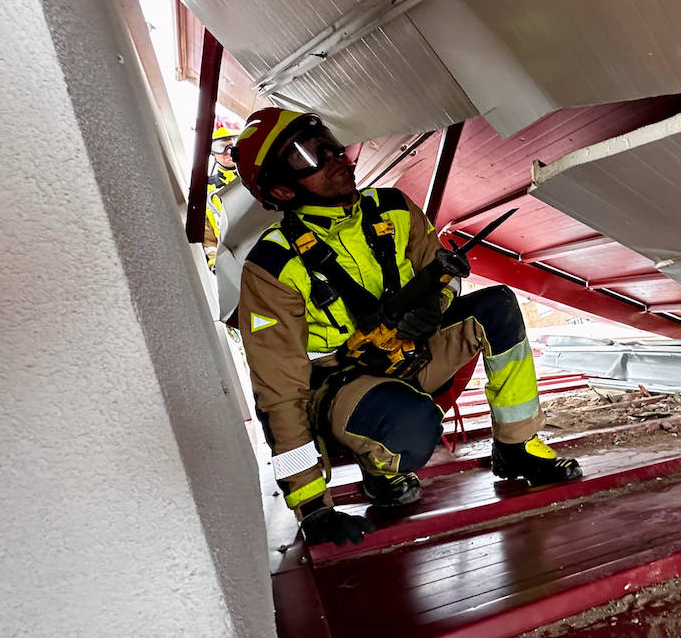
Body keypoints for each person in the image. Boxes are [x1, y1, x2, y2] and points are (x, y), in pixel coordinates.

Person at [232, 108, 581, 547]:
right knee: (412, 431)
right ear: (282, 189)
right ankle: (379, 472)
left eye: (329, 144)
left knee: (496, 306)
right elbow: (279, 391)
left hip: (414, 354)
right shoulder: (271, 268)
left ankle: (516, 447)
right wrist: (313, 507)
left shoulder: (393, 208)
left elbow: (443, 275)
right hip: (347, 389)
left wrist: (435, 305)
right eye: (308, 155)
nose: (336, 157)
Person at [203, 123, 240, 268]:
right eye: (221, 147)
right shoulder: (206, 191)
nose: (228, 152)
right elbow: (208, 236)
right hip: (236, 257)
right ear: (213, 154)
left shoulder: (257, 177)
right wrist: (214, 262)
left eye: (232, 145)